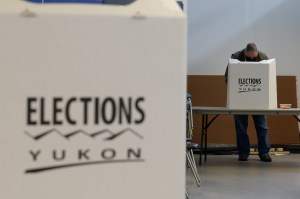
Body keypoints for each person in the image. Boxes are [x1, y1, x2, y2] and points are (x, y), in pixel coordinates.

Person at [224, 43, 272, 162]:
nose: (251, 59)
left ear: (257, 53)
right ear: (245, 52)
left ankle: (264, 153)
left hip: (259, 100)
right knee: (241, 128)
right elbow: (227, 77)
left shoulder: (263, 57)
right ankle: (243, 153)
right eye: (249, 57)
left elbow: (269, 77)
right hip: (240, 99)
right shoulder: (235, 57)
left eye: (253, 58)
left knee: (262, 127)